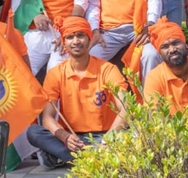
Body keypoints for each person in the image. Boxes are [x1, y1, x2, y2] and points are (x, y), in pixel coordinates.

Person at [26, 17, 128, 169]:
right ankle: (96, 159)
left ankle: (66, 156)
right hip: (72, 138)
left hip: (104, 137)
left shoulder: (108, 69)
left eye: (80, 35)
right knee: (34, 132)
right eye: (69, 37)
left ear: (89, 38)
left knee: (134, 136)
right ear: (64, 42)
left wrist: (109, 139)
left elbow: (125, 109)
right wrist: (64, 136)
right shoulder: (56, 73)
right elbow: (47, 118)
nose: (75, 41)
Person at [141, 18, 188, 113]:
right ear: (159, 53)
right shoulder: (154, 77)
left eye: (176, 43)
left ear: (185, 44)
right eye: (165, 47)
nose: (172, 50)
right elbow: (153, 117)